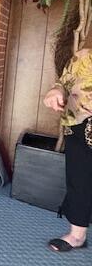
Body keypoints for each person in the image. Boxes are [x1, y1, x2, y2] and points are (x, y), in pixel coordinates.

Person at [43, 48, 92, 252]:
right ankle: (77, 235)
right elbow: (63, 83)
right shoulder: (84, 56)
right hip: (78, 123)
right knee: (78, 179)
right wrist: (56, 92)